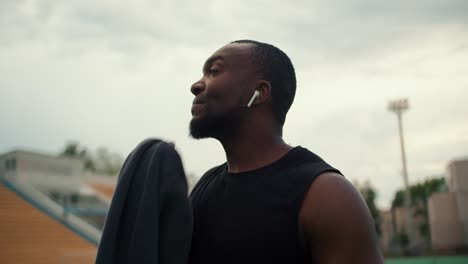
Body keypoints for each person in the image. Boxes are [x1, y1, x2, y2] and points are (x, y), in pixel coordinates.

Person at [188, 40, 383, 264]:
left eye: (213, 71)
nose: (196, 85)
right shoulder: (204, 188)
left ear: (259, 92)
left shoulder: (326, 195)